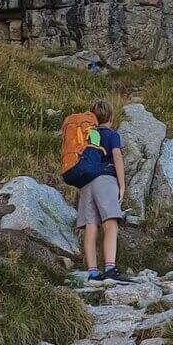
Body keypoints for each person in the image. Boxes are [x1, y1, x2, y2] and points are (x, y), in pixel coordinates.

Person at [76, 99, 128, 281]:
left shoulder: (88, 135)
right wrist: (122, 185)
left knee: (91, 227)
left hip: (86, 183)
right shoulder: (112, 135)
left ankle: (92, 272)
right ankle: (110, 269)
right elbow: (117, 157)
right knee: (110, 223)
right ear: (112, 116)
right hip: (105, 180)